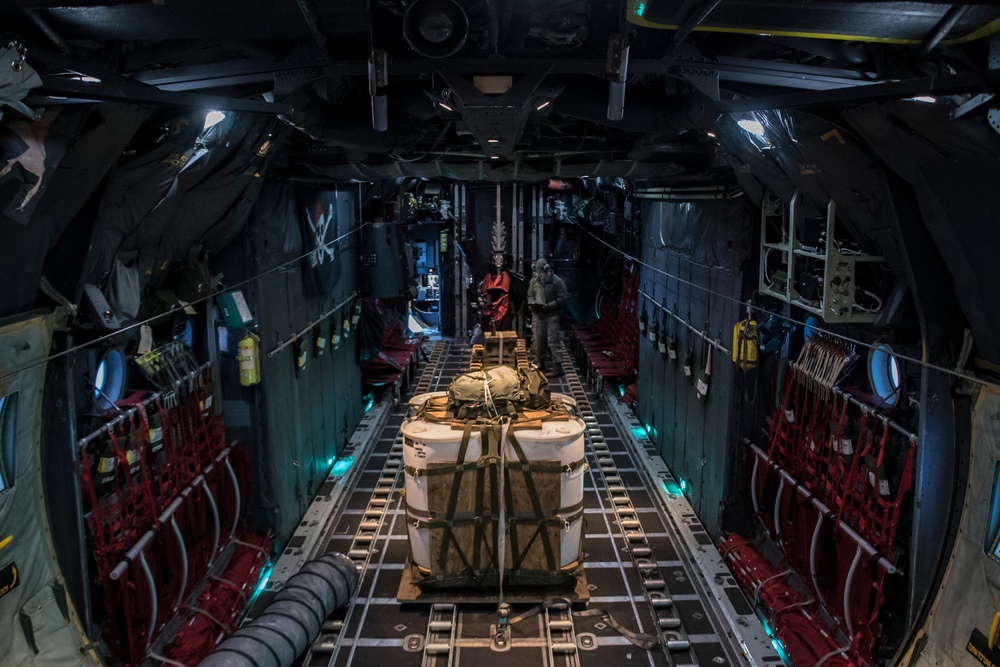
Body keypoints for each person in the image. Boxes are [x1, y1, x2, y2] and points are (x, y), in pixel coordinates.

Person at [527, 258, 569, 377]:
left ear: (546, 270)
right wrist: (532, 304)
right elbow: (530, 294)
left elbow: (563, 298)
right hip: (539, 316)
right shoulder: (535, 282)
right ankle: (541, 363)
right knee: (539, 340)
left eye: (540, 273)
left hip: (552, 315)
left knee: (553, 341)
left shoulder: (557, 282)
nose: (539, 276)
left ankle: (558, 367)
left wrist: (550, 306)